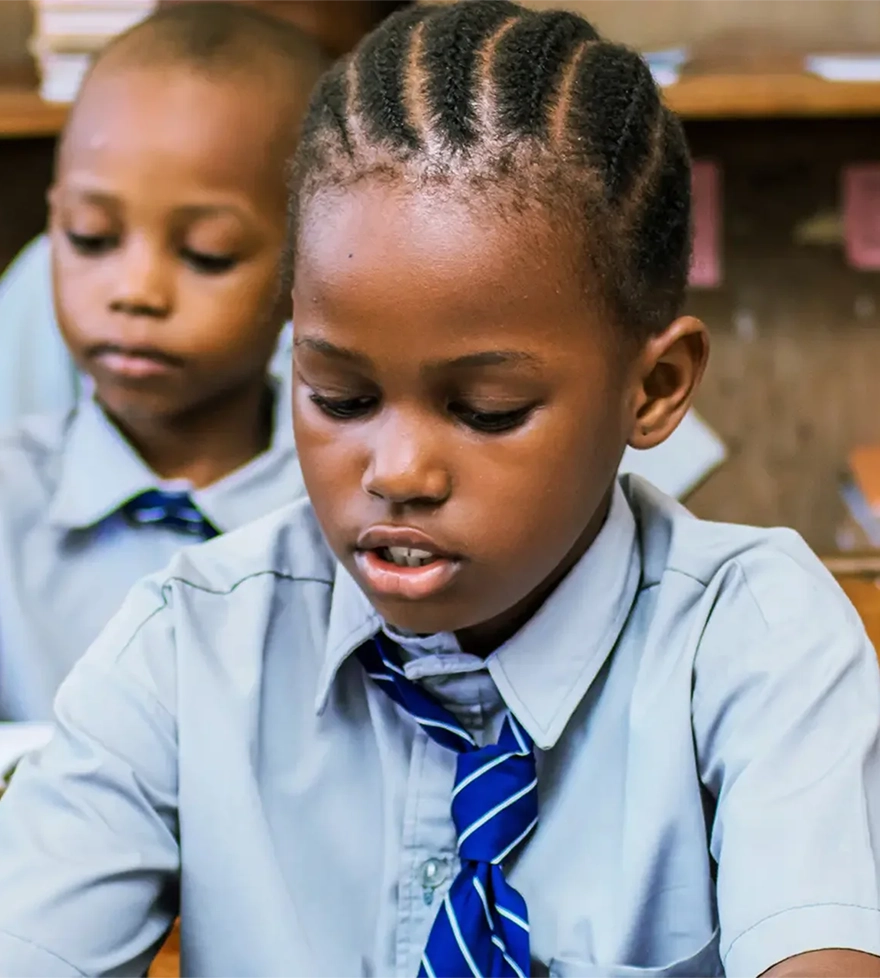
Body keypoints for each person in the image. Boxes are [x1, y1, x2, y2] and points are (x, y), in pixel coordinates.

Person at [1, 3, 878, 977]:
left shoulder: (756, 644)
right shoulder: (185, 648)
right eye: (339, 395)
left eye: (487, 409)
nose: (397, 474)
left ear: (655, 388)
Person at [0, 1, 327, 721]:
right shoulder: (8, 507)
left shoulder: (348, 517)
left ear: (311, 268)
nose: (136, 292)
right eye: (90, 238)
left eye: (206, 254)